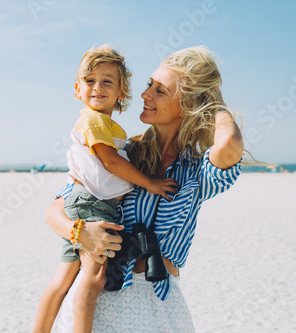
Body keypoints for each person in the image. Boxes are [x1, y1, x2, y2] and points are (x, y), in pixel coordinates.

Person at [44, 46, 244, 332]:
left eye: (160, 91)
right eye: (150, 84)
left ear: (187, 104)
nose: (145, 94)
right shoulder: (122, 156)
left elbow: (228, 145)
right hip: (97, 304)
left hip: (158, 307)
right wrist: (79, 232)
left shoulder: (195, 174)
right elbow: (56, 208)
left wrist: (212, 102)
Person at [33, 45, 178, 333]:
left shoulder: (106, 125)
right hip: (91, 205)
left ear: (122, 90)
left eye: (107, 81)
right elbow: (110, 161)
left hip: (83, 202)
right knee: (94, 278)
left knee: (63, 279)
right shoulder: (94, 120)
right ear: (78, 88)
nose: (97, 88)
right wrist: (149, 183)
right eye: (89, 81)